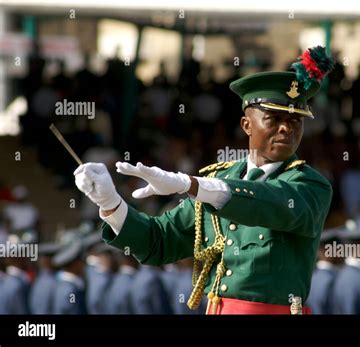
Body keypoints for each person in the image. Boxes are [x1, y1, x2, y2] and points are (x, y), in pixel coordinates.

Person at [74, 46, 334, 314]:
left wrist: (191, 185)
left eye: (295, 121)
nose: (286, 128)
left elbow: (270, 203)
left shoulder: (309, 185)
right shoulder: (217, 180)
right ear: (246, 125)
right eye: (275, 118)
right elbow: (158, 242)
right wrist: (111, 202)